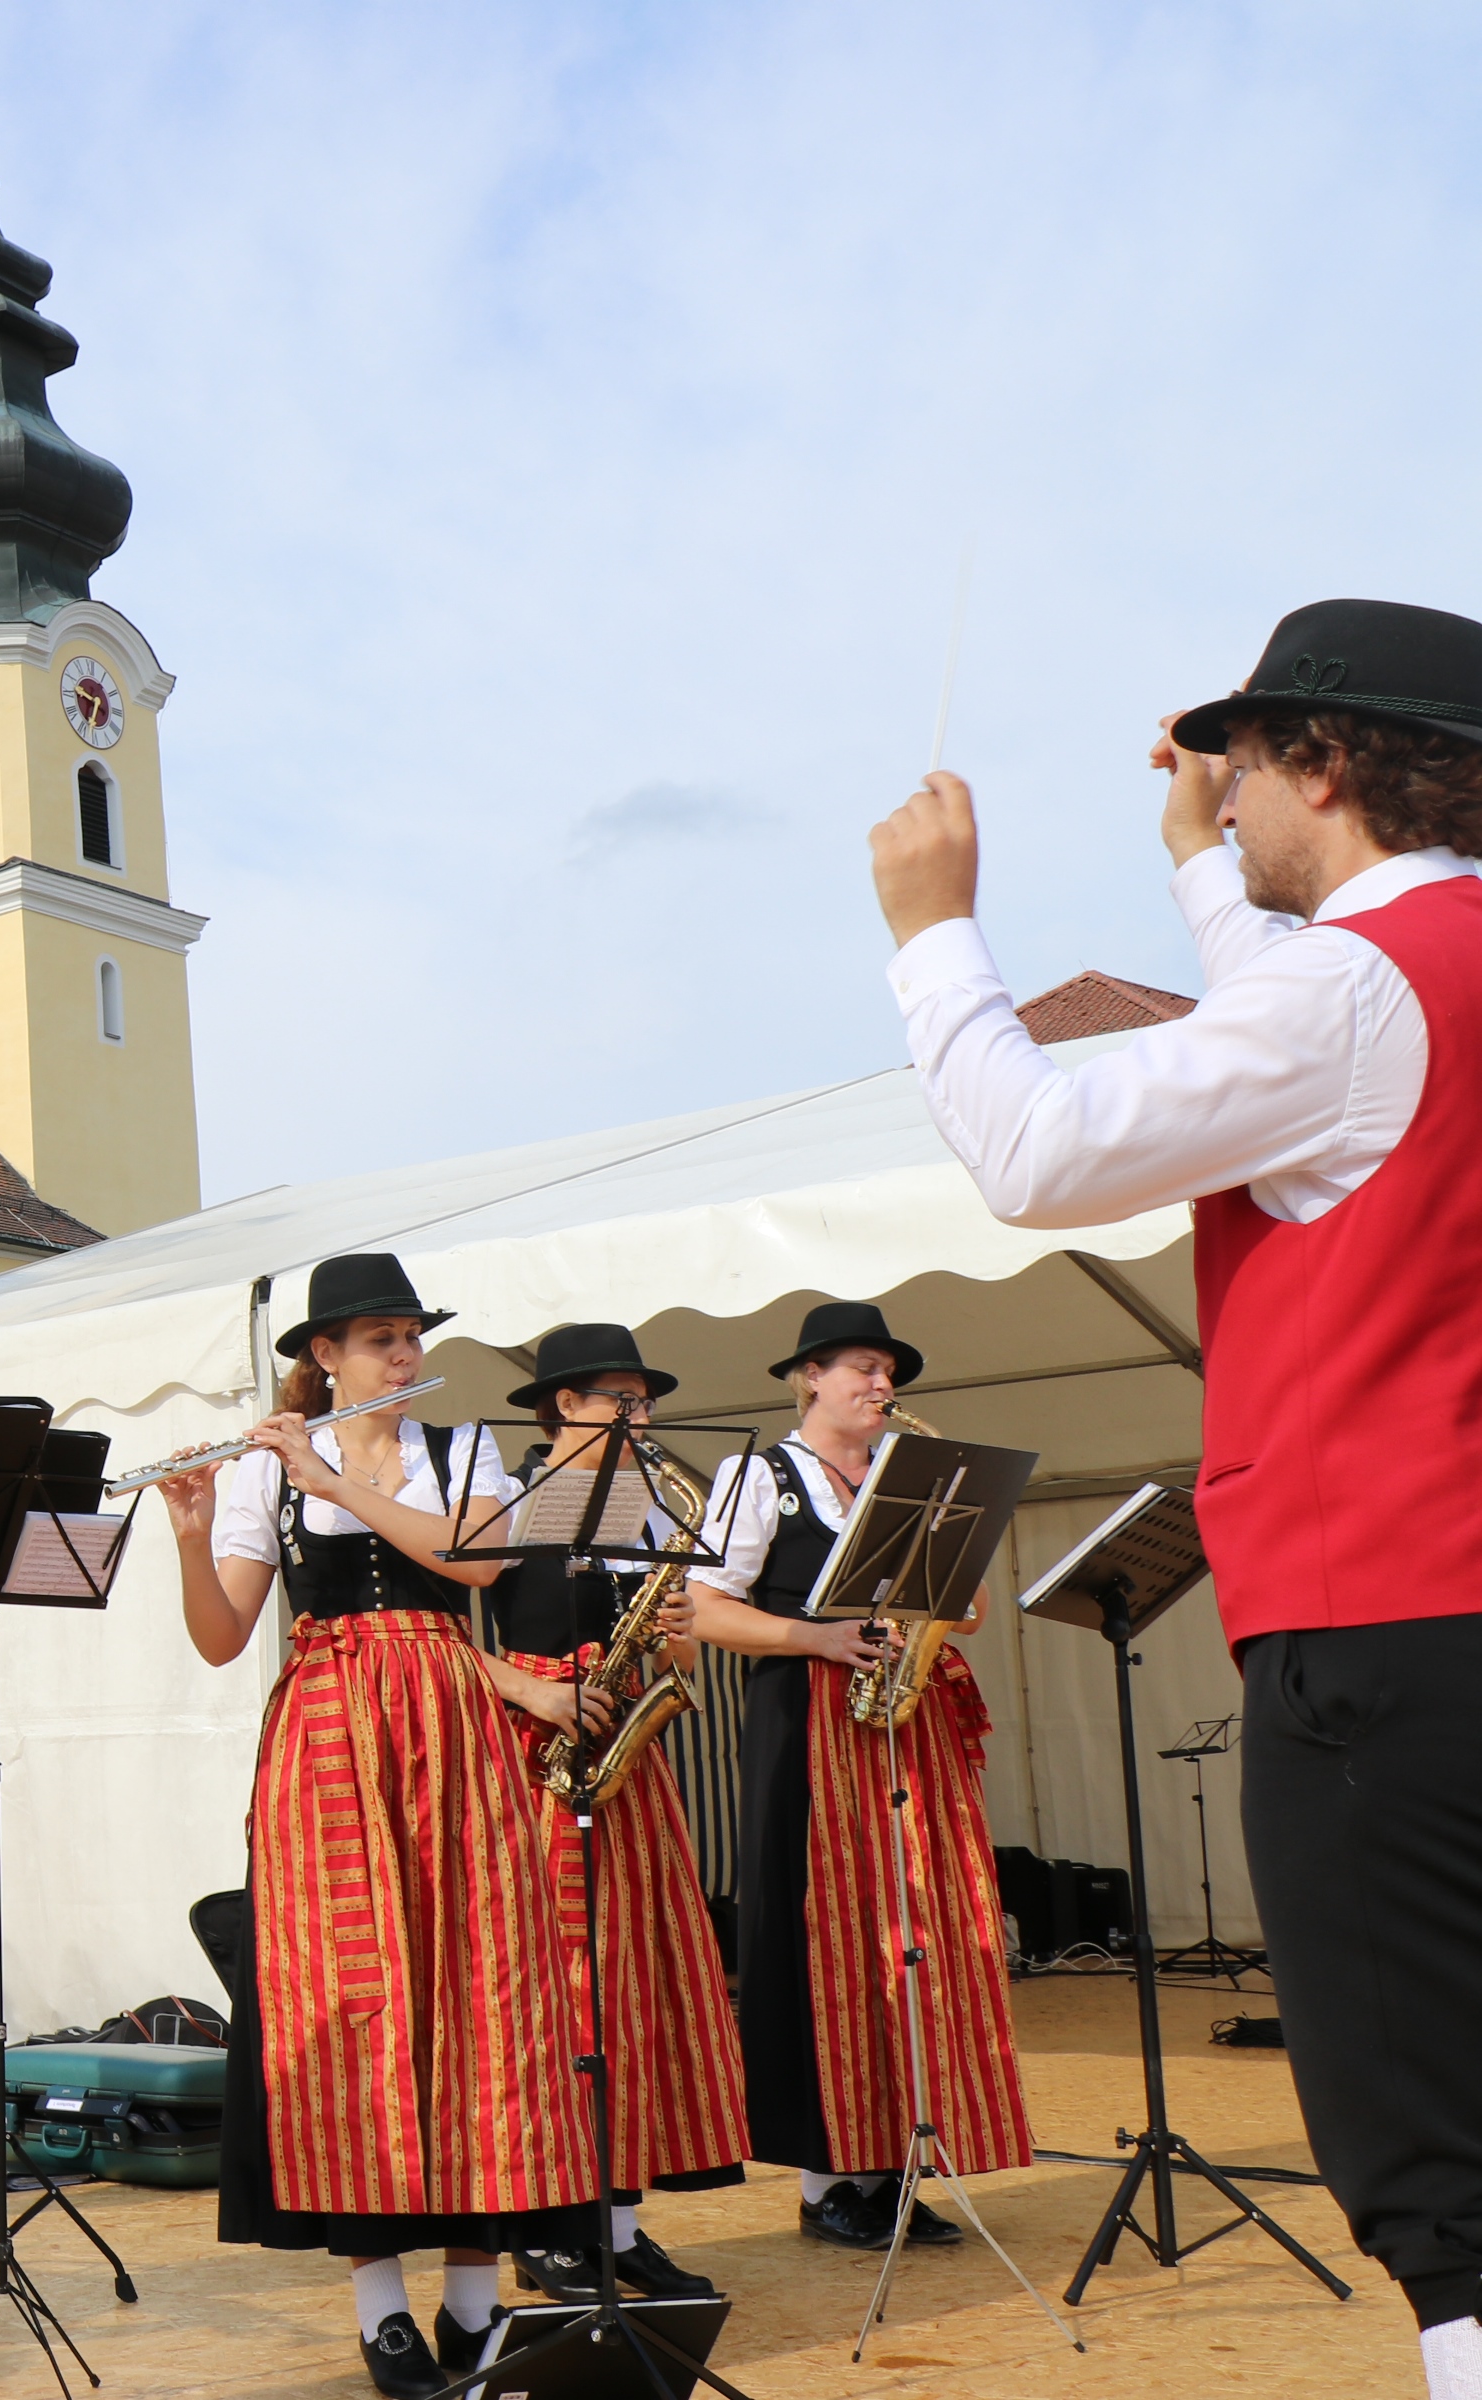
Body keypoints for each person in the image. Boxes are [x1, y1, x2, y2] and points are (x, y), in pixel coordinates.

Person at [867, 596, 1482, 2399]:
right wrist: (1207, 872)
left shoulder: (1353, 991)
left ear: (1330, 762)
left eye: (1256, 762)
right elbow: (1325, 1062)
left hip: (1384, 1623)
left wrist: (932, 933)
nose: (1235, 797)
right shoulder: (1403, 974)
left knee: (1443, 2176)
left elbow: (1038, 1149)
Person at [159, 1253, 595, 2398]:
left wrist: (335, 1476)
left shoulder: (462, 1452)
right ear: (326, 1356)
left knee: (478, 1994)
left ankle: (471, 2303)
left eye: (411, 1337)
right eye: (381, 1340)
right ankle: (380, 2309)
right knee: (350, 2000)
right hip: (326, 1739)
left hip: (452, 1729)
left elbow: (480, 1563)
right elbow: (218, 1637)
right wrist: (195, 1535)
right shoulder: (265, 1475)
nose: (406, 1357)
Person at [680, 1303, 1027, 2249]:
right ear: (810, 1378)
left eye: (887, 1373)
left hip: (902, 1721)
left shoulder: (902, 1479)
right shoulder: (758, 1476)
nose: (881, 1387)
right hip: (804, 1720)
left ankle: (891, 2169)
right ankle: (823, 2179)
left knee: (912, 1931)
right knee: (819, 1932)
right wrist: (818, 1638)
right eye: (863, 1369)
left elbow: (977, 1610)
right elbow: (703, 1610)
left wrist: (956, 1516)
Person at [480, 1324, 745, 2305]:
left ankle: (619, 2229)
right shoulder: (502, 1498)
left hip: (626, 1756)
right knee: (558, 1995)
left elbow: (674, 1652)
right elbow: (442, 1641)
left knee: (633, 1997)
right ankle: (546, 2225)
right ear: (564, 1408)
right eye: (622, 1403)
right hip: (538, 1754)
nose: (643, 1419)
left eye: (647, 1403)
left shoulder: (644, 1506)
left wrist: (674, 1637)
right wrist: (536, 1691)